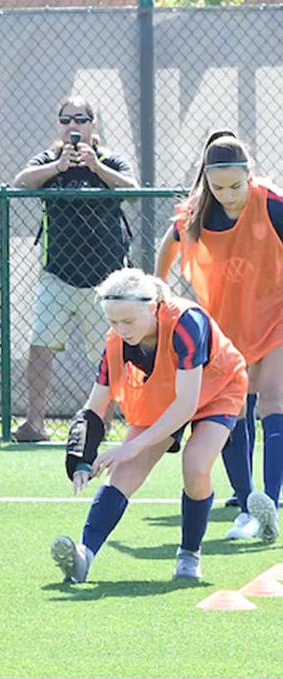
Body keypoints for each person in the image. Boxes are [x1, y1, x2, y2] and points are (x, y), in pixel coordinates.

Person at [51, 268, 247, 583]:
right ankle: (83, 556)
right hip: (166, 393)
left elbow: (187, 405)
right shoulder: (116, 341)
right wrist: (80, 458)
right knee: (124, 472)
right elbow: (94, 408)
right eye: (113, 322)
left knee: (196, 465)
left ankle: (189, 554)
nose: (121, 330)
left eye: (128, 321)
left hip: (218, 388)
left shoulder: (187, 323)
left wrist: (132, 446)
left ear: (153, 307)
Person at [155, 131, 283, 542]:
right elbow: (169, 245)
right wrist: (158, 292)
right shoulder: (198, 212)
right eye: (218, 186)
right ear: (206, 180)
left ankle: (269, 503)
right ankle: (247, 505)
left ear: (250, 175)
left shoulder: (273, 205)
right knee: (236, 408)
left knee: (274, 400)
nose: (227, 195)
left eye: (235, 186)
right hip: (226, 325)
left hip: (277, 315)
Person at [10, 97, 137, 442]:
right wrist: (58, 167)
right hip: (58, 274)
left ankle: (103, 423)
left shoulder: (109, 160)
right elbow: (21, 182)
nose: (73, 126)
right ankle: (35, 423)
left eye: (80, 119)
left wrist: (96, 168)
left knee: (108, 353)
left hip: (105, 279)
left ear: (93, 124)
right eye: (66, 120)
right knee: (41, 345)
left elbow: (135, 192)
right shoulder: (50, 160)